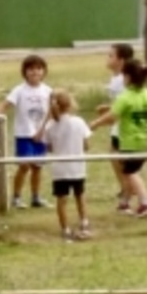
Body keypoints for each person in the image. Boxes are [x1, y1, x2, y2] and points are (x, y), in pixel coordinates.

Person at [89, 59, 147, 217]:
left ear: (127, 77)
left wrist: (95, 124)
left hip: (130, 142)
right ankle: (125, 202)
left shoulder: (125, 96)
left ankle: (145, 203)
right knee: (128, 170)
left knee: (130, 173)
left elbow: (112, 116)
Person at [0, 55, 52, 208]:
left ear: (44, 71)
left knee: (37, 167)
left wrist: (47, 132)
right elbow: (5, 105)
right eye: (31, 69)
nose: (35, 72)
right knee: (24, 166)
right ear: (25, 71)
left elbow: (52, 112)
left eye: (38, 69)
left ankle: (36, 197)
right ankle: (16, 197)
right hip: (24, 134)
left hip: (41, 135)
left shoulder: (48, 91)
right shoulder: (19, 90)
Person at [40, 90, 92, 241]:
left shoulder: (50, 125)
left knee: (61, 200)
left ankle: (65, 228)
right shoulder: (79, 122)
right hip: (77, 167)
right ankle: (84, 222)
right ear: (70, 104)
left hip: (60, 169)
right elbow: (86, 145)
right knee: (80, 195)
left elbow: (49, 147)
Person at [95, 43, 135, 209]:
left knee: (122, 161)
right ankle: (125, 190)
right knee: (115, 158)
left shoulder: (123, 80)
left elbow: (126, 105)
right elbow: (118, 103)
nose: (108, 58)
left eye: (111, 56)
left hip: (124, 126)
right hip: (117, 125)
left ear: (121, 60)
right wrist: (108, 107)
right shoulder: (115, 78)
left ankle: (128, 194)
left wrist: (100, 121)